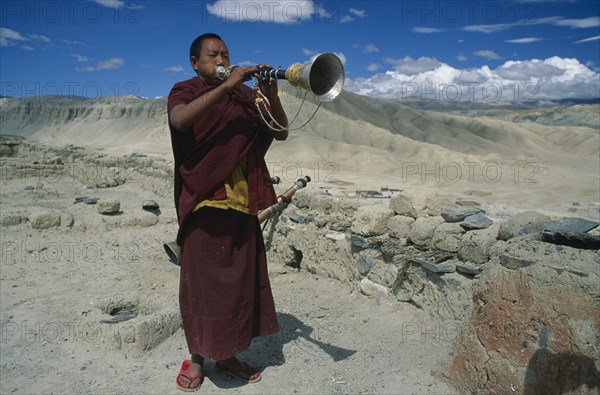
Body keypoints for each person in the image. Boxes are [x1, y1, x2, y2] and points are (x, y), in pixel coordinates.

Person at [167, 33, 288, 392]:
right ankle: (199, 357)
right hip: (204, 202)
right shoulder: (185, 90)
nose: (221, 61)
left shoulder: (245, 96)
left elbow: (278, 132)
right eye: (213, 56)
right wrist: (227, 85)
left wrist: (273, 96)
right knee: (203, 288)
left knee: (238, 286)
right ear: (195, 62)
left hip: (241, 202)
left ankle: (229, 354)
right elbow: (180, 121)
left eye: (226, 55)